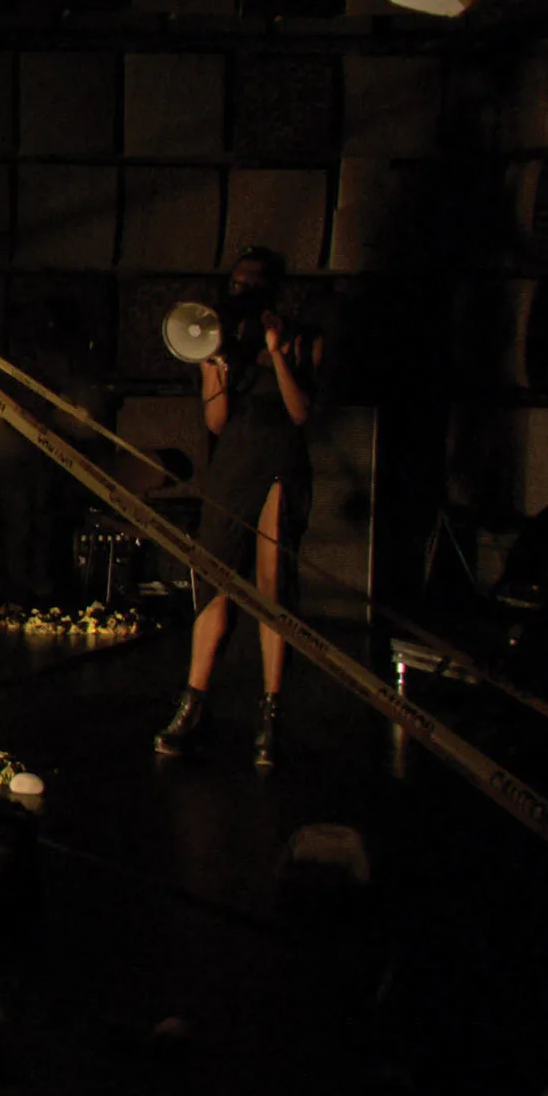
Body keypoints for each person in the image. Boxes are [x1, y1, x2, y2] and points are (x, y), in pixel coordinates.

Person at [154, 248, 323, 767]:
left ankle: (271, 714)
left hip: (280, 464)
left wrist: (275, 355)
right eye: (236, 280)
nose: (242, 288)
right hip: (233, 464)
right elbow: (217, 423)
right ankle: (193, 703)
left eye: (253, 281)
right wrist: (215, 372)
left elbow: (301, 412)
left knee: (272, 589)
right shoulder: (220, 338)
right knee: (214, 583)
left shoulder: (301, 339)